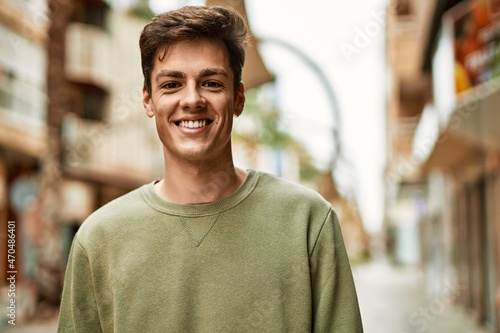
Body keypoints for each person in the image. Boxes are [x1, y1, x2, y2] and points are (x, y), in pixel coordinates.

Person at [57, 5, 363, 332]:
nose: (192, 100)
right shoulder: (99, 238)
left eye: (212, 83)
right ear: (148, 100)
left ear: (238, 98)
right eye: (172, 84)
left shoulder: (308, 221)